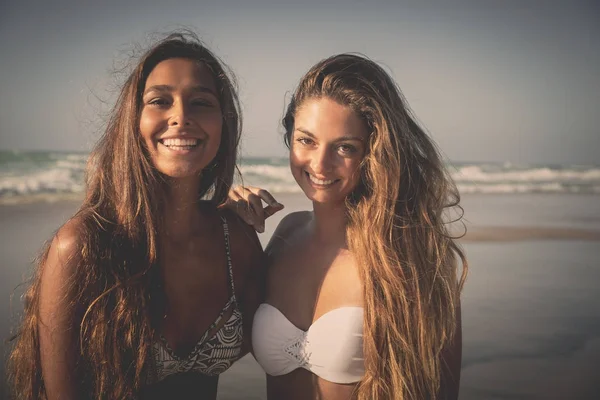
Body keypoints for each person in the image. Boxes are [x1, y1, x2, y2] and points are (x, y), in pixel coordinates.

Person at [8, 32, 264, 400]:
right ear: (133, 121)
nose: (181, 117)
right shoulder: (83, 246)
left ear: (223, 125)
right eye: (160, 100)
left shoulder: (235, 239)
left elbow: (289, 334)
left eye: (201, 103)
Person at [227, 53, 468, 400]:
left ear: (375, 152)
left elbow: (443, 390)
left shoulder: (414, 255)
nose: (320, 163)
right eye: (306, 140)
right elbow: (219, 335)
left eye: (345, 147)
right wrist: (227, 223)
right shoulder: (286, 233)